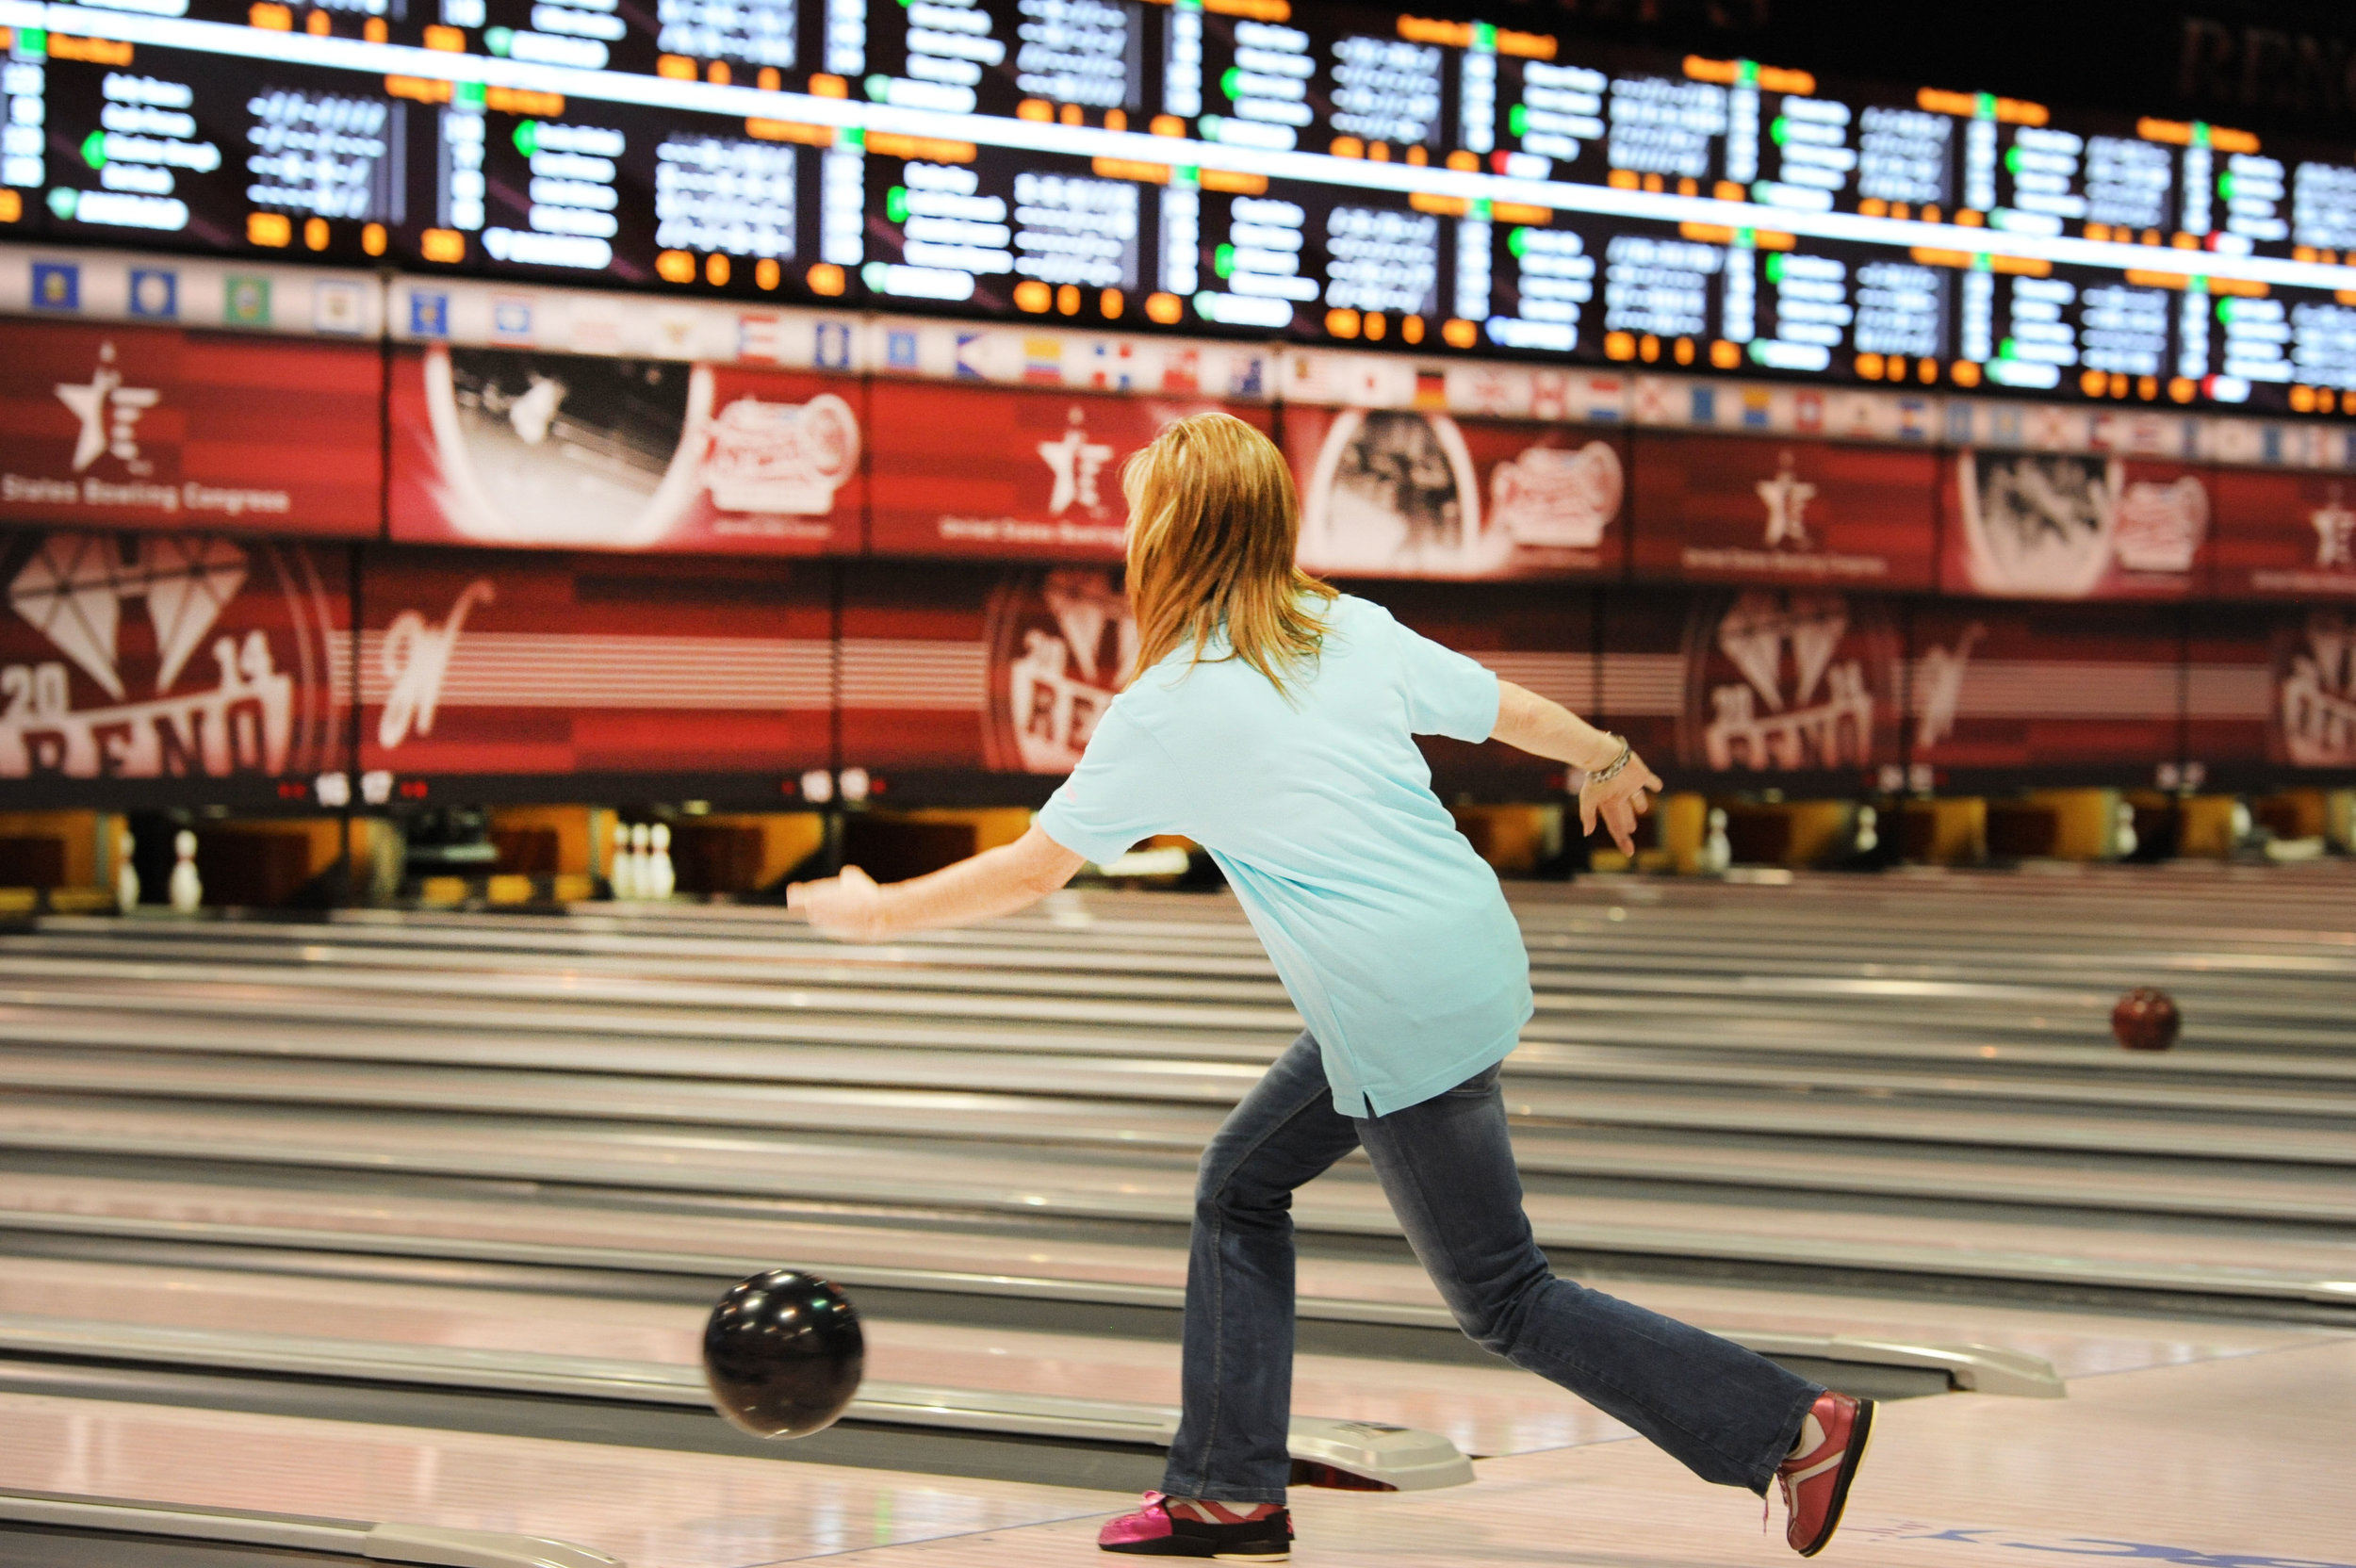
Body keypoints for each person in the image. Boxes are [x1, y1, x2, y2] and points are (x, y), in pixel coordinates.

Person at [790, 413, 1873, 1562]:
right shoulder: (1345, 628)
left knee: (1503, 1294)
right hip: (1462, 958)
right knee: (1239, 1186)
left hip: (1391, 1006)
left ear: (1170, 532)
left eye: (1136, 509)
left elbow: (1031, 866)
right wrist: (1602, 753)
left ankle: (1789, 1426)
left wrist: (878, 912)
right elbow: (1504, 706)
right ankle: (1225, 1487)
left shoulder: (1168, 705)